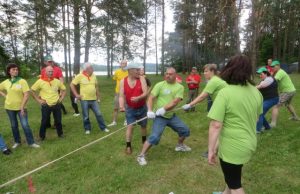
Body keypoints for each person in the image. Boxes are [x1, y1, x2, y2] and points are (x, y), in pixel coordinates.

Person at [207, 55, 263, 194]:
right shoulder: (256, 91)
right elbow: (256, 119)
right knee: (233, 176)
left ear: (229, 70)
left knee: (235, 184)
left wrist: (211, 150)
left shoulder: (224, 93)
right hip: (249, 143)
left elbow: (215, 125)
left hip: (233, 148)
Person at [137, 67, 191, 166]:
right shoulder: (160, 85)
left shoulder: (179, 87)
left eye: (170, 74)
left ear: (175, 75)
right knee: (155, 137)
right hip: (159, 117)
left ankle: (180, 145)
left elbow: (175, 101)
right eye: (166, 74)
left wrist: (164, 109)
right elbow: (151, 98)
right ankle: (141, 156)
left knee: (185, 130)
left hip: (171, 116)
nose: (168, 75)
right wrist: (149, 110)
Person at [182, 64, 227, 158]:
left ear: (212, 71)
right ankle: (215, 150)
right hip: (224, 105)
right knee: (220, 129)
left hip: (224, 106)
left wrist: (189, 105)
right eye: (204, 71)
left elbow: (202, 96)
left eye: (206, 71)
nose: (204, 73)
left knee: (216, 127)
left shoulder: (213, 81)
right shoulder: (215, 80)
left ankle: (212, 151)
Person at [0, 64, 40, 148]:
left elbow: (26, 94)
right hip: (9, 108)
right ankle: (17, 142)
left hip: (21, 108)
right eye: (13, 69)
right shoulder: (6, 82)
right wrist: (4, 95)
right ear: (9, 71)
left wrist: (22, 107)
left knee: (25, 125)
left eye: (16, 69)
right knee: (14, 125)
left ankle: (31, 142)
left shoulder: (22, 81)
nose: (15, 71)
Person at [70, 62, 109, 134]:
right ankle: (87, 129)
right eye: (91, 67)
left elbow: (96, 86)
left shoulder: (94, 75)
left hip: (94, 99)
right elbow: (72, 84)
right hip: (84, 100)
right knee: (86, 116)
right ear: (86, 69)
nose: (92, 69)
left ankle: (103, 128)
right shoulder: (80, 76)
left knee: (99, 114)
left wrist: (98, 96)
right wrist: (76, 95)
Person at [119, 64, 148, 154]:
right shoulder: (123, 81)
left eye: (139, 70)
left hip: (142, 107)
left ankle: (144, 141)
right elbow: (121, 96)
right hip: (130, 109)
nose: (139, 72)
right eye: (137, 70)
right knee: (130, 127)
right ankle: (128, 146)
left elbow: (145, 93)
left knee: (143, 126)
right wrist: (121, 106)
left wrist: (138, 98)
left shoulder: (141, 78)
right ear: (130, 70)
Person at [31, 66, 66, 140]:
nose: (51, 73)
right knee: (44, 122)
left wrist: (61, 98)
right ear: (45, 72)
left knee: (58, 121)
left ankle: (60, 134)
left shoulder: (57, 81)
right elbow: (32, 91)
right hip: (46, 105)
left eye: (52, 71)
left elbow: (64, 89)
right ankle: (42, 136)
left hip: (56, 104)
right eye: (49, 71)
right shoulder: (40, 81)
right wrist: (39, 100)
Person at [270, 60, 299, 127]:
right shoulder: (278, 72)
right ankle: (295, 117)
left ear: (278, 66)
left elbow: (273, 81)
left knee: (276, 106)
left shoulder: (280, 72)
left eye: (274, 66)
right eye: (272, 67)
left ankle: (273, 123)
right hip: (291, 90)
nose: (272, 68)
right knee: (288, 104)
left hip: (287, 91)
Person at [41, 56, 66, 129]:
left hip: (55, 90)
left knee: (56, 106)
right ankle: (47, 124)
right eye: (48, 62)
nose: (50, 63)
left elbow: (61, 79)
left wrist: (61, 91)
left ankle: (56, 123)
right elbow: (41, 81)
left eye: (51, 61)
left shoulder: (57, 69)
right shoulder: (43, 70)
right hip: (46, 91)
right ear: (45, 62)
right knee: (46, 107)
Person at [256, 67, 279, 133]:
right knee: (261, 112)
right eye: (259, 75)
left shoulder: (269, 79)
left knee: (260, 112)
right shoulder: (264, 79)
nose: (260, 76)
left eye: (261, 74)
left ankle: (258, 129)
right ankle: (267, 127)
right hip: (268, 99)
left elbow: (259, 87)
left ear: (266, 73)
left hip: (272, 99)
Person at [108, 60, 128, 127]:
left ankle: (126, 120)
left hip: (126, 93)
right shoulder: (117, 72)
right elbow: (115, 79)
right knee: (116, 108)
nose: (124, 65)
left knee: (126, 107)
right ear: (120, 64)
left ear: (126, 64)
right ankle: (114, 122)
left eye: (125, 63)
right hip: (118, 92)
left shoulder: (129, 72)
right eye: (123, 63)